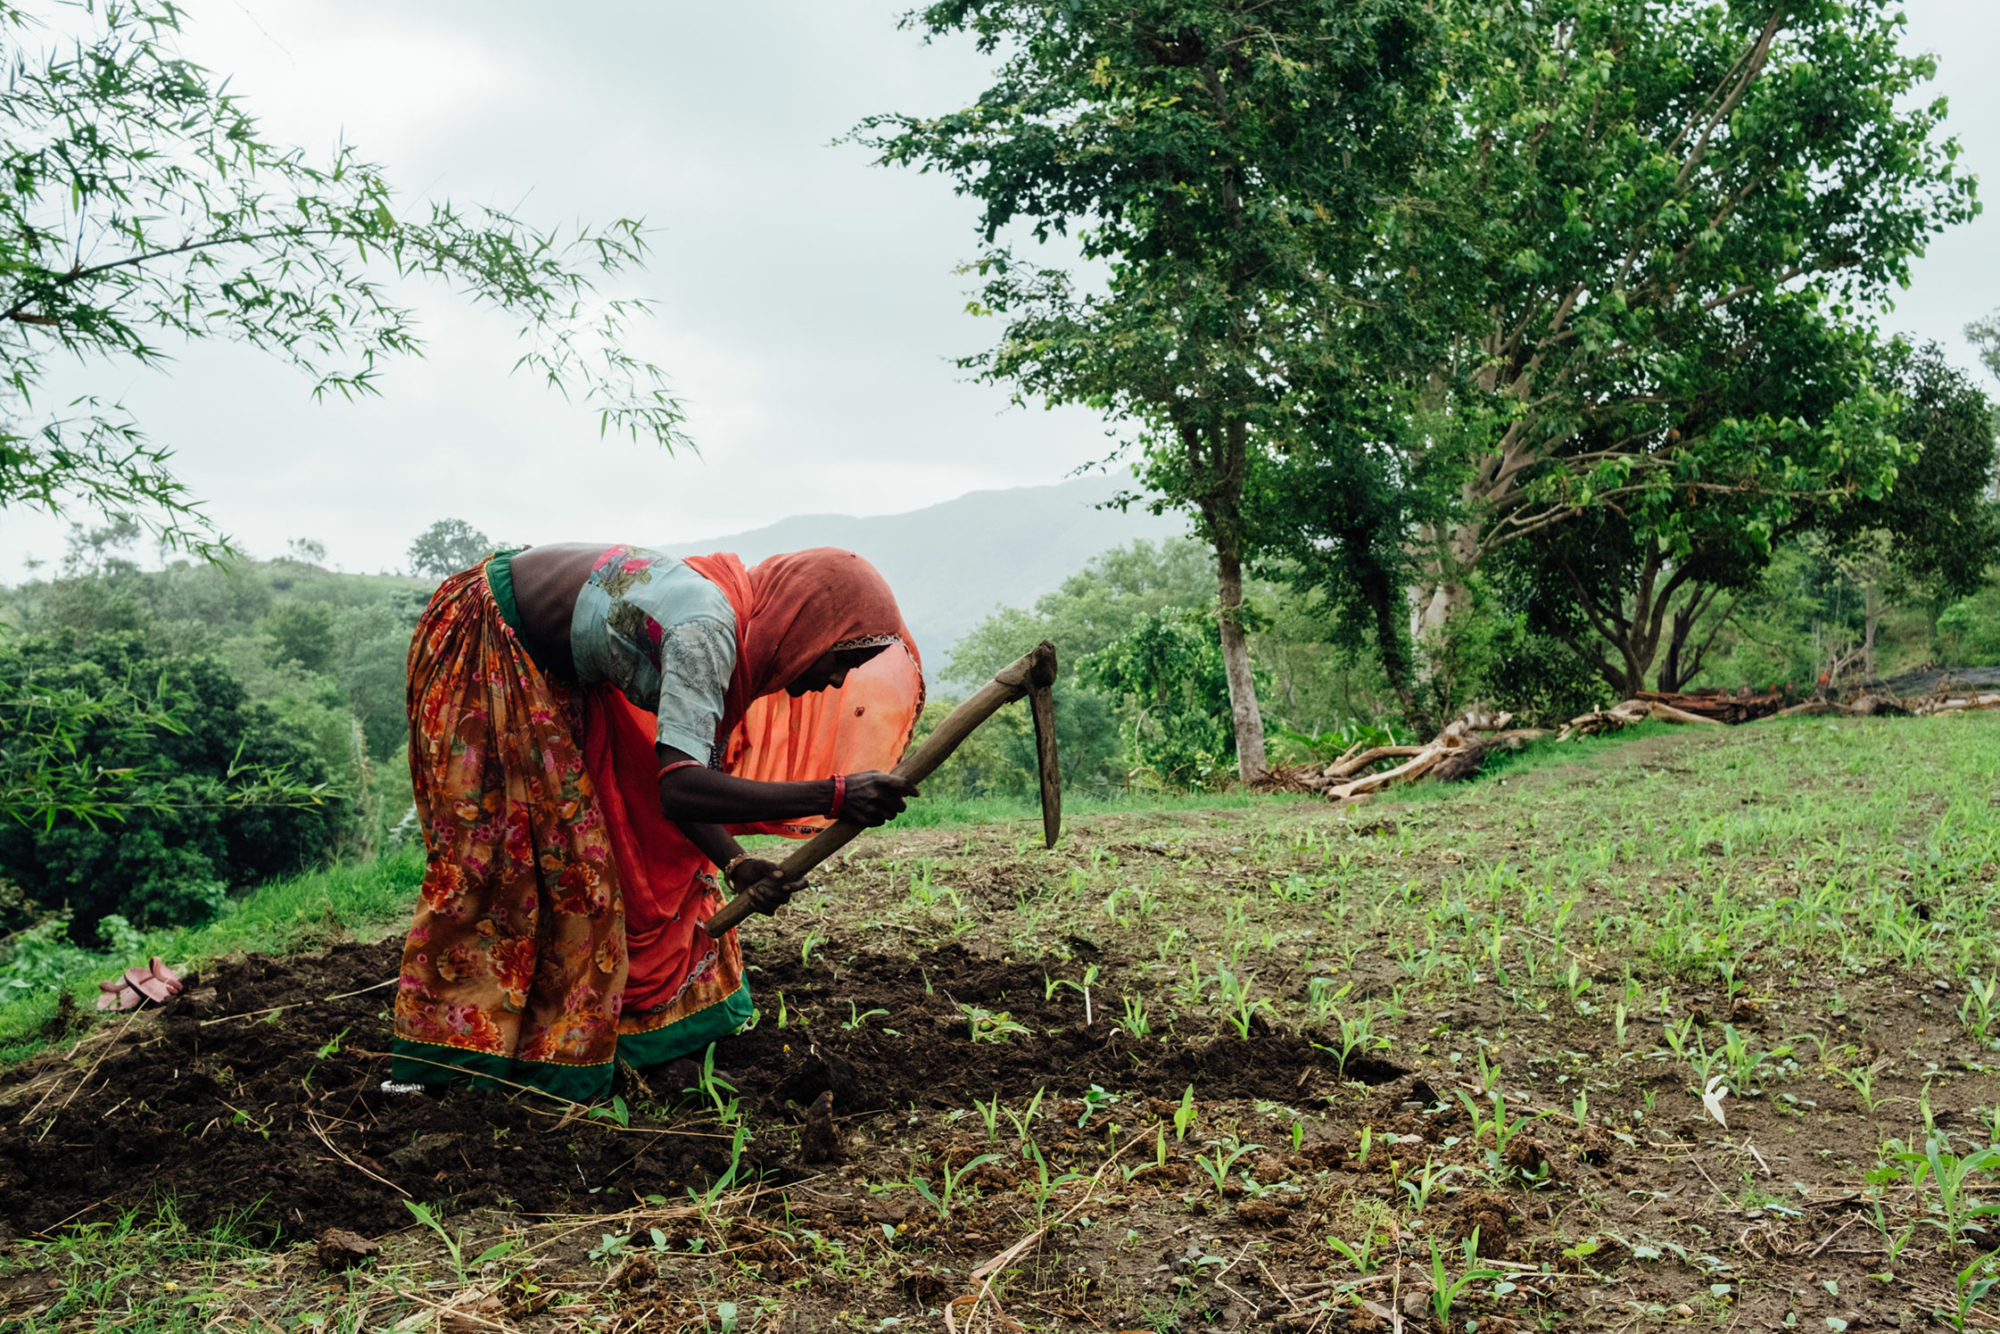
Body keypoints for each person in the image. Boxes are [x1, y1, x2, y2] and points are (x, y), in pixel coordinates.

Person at [389, 543, 923, 1100]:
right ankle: (443, 1068)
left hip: (559, 670)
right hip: (492, 643)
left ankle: (635, 1046)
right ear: (806, 628)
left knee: (600, 855)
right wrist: (835, 795)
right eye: (839, 662)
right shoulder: (706, 631)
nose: (834, 683)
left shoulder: (724, 619)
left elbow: (676, 781)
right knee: (509, 867)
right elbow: (683, 790)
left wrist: (734, 862)